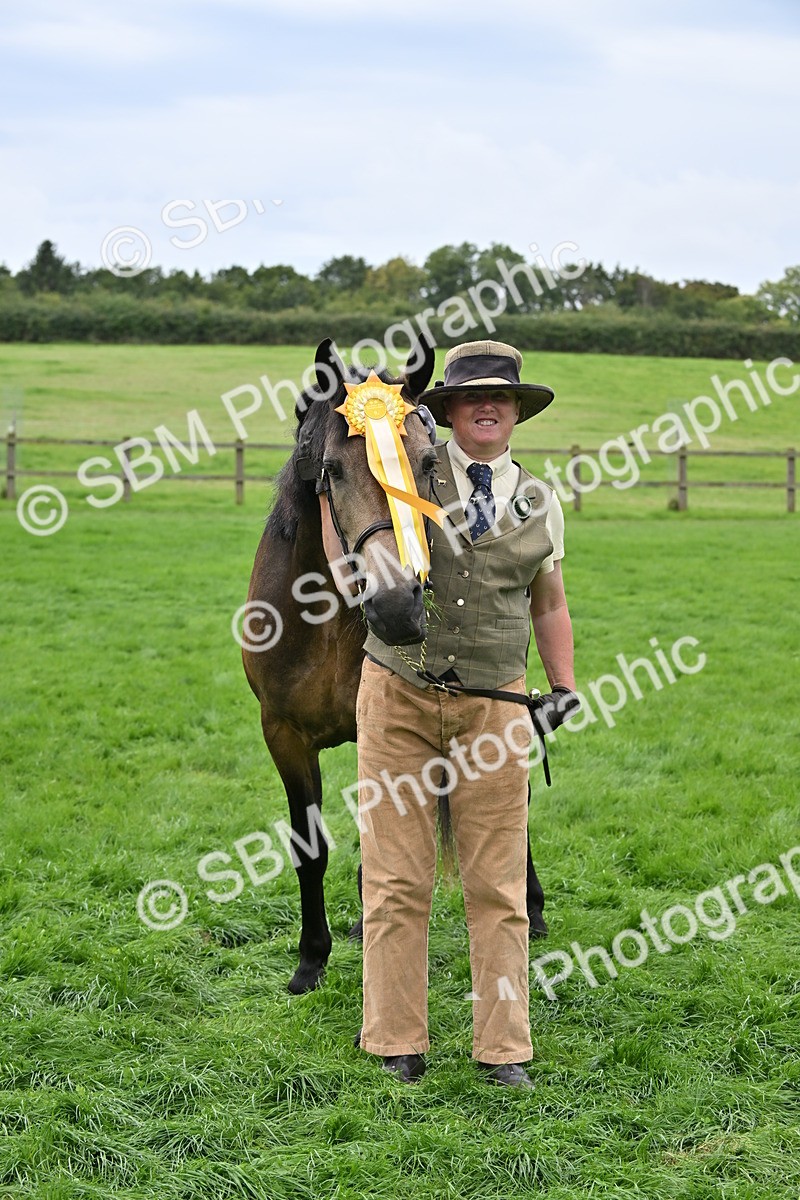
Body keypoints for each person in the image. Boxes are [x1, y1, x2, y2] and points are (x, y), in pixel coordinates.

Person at [355, 340, 579, 1088]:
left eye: (501, 397)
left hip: (495, 709)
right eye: (471, 396)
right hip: (399, 697)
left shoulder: (541, 501)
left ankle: (504, 1049)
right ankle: (396, 1040)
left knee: (498, 887)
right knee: (396, 880)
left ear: (516, 413)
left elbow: (548, 602)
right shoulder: (403, 476)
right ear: (447, 410)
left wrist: (563, 683)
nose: (488, 406)